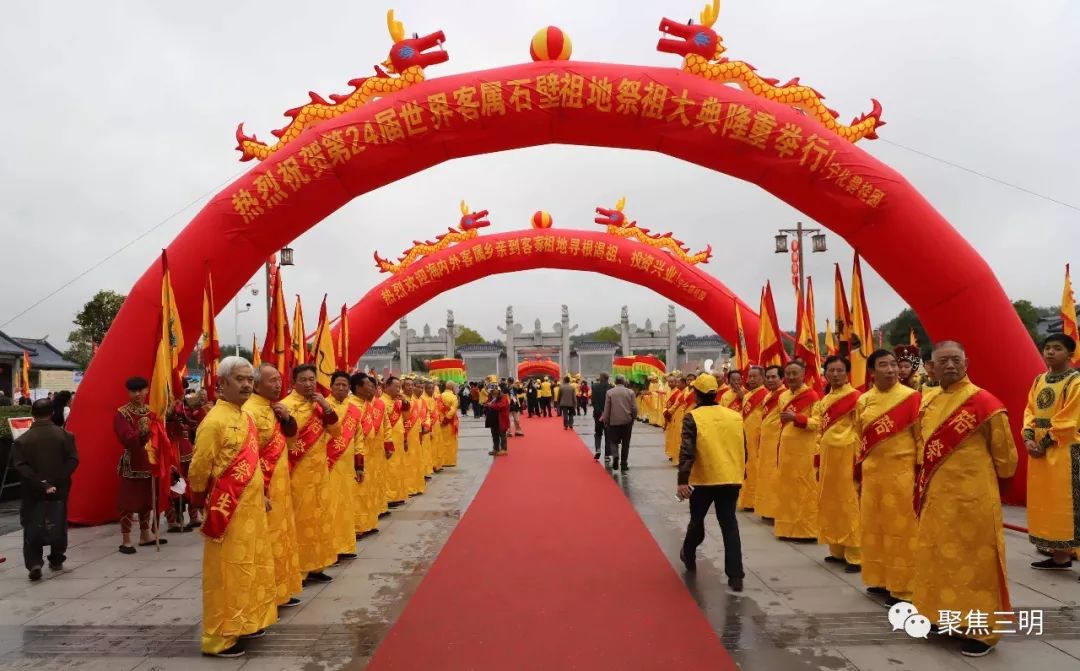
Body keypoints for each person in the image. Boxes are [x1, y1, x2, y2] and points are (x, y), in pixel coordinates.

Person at [914, 341, 1017, 657]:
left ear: (966, 362)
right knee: (938, 559)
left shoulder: (984, 403)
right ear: (931, 366)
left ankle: (982, 632)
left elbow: (1006, 457)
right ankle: (940, 615)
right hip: (937, 496)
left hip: (972, 498)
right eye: (942, 360)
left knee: (976, 563)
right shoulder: (929, 402)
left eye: (955, 360)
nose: (949, 366)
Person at [189, 356, 277, 657]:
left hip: (251, 510)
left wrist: (261, 495)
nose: (246, 385)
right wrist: (198, 501)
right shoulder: (213, 421)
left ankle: (246, 622)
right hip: (226, 511)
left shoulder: (246, 417)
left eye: (249, 380)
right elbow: (200, 467)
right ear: (222, 383)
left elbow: (251, 463)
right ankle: (220, 636)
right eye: (240, 379)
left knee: (248, 569)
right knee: (226, 574)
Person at [854, 349, 921, 605]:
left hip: (901, 473)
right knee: (875, 528)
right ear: (872, 371)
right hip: (873, 474)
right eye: (884, 365)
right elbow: (860, 437)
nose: (892, 369)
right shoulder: (865, 400)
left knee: (901, 530)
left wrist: (918, 471)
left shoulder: (912, 397)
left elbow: (920, 436)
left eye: (894, 364)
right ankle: (881, 579)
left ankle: (904, 587)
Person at [676, 373, 745, 592]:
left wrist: (682, 481)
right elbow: (745, 448)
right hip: (730, 478)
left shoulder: (692, 417)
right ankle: (736, 576)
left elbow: (687, 451)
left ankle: (689, 553)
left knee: (697, 520)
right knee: (729, 526)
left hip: (703, 480)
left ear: (696, 394)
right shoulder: (734, 416)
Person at [242, 363, 303, 609]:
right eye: (271, 380)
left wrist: (287, 420)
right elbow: (248, 457)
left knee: (283, 538)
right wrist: (261, 490)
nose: (278, 384)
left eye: (279, 379)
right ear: (256, 385)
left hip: (281, 486)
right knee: (267, 543)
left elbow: (291, 440)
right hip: (264, 489)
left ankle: (282, 590)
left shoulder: (275, 408)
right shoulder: (249, 412)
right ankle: (268, 596)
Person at [1023, 333, 1080, 570]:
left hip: (1066, 450)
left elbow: (1069, 419)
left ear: (1070, 354)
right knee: (1050, 504)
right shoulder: (1039, 380)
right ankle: (1060, 556)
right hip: (1039, 451)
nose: (1050, 352)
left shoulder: (1075, 382)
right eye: (1047, 348)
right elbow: (1030, 410)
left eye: (1057, 348)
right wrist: (1028, 438)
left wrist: (1043, 442)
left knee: (1070, 504)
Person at [281, 364, 340, 585]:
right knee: (301, 520)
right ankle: (300, 569)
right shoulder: (285, 407)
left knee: (320, 518)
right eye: (303, 380)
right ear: (293, 382)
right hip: (297, 474)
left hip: (320, 473)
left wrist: (326, 407)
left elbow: (336, 432)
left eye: (312, 379)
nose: (308, 384)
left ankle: (318, 565)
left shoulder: (319, 405)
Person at [12, 398, 79, 580]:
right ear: (52, 414)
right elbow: (73, 460)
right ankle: (56, 558)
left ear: (33, 415)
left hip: (33, 491)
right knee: (58, 521)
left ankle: (34, 562)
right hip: (59, 489)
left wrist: (40, 483)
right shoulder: (66, 436)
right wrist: (56, 481)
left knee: (32, 523)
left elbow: (21, 466)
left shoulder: (22, 441)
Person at [808, 356, 862, 572]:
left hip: (847, 455)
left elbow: (860, 428)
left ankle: (855, 554)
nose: (836, 374)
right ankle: (836, 550)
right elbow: (819, 428)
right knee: (830, 502)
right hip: (829, 456)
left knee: (849, 503)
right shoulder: (824, 400)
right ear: (826, 373)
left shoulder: (856, 398)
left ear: (847, 372)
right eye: (831, 370)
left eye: (840, 370)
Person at [113, 376, 165, 553]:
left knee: (147, 499)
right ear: (128, 392)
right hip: (132, 463)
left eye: (140, 390)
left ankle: (145, 535)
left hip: (149, 461)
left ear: (146, 390)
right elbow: (126, 438)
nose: (137, 394)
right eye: (133, 391)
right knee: (128, 503)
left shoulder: (151, 411)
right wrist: (141, 434)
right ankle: (126, 540)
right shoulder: (122, 413)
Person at [774, 361, 821, 541]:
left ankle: (806, 531)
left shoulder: (812, 396)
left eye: (795, 374)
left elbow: (817, 423)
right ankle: (786, 529)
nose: (792, 377)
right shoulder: (783, 396)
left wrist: (797, 418)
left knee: (804, 489)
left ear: (803, 375)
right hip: (786, 450)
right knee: (787, 489)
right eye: (789, 374)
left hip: (804, 450)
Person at [350, 372, 391, 535]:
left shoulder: (368, 404)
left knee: (369, 489)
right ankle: (359, 526)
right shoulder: (351, 406)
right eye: (369, 385)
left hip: (372, 454)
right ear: (358, 388)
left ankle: (368, 522)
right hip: (359, 455)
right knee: (359, 491)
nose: (373, 388)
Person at [327, 372, 361, 561]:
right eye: (338, 384)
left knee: (346, 506)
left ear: (349, 388)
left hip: (347, 466)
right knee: (331, 507)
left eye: (344, 385)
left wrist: (359, 464)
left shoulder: (354, 409)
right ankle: (332, 547)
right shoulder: (322, 406)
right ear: (331, 386)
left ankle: (346, 545)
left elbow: (358, 437)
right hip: (328, 467)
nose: (341, 388)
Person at [753, 366, 784, 522]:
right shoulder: (767, 396)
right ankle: (766, 509)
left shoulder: (784, 395)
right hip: (765, 443)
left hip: (777, 443)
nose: (771, 380)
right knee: (765, 475)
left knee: (774, 477)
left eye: (774, 377)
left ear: (781, 378)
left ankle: (775, 510)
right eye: (768, 377)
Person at [736, 366, 768, 512]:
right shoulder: (747, 395)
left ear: (762, 378)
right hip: (746, 435)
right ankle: (747, 499)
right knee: (747, 467)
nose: (752, 379)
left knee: (755, 467)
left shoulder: (766, 395)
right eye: (750, 377)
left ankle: (754, 500)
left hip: (758, 437)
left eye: (755, 377)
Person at [382, 377, 410, 506]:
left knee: (399, 468)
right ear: (387, 386)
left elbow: (405, 418)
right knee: (390, 469)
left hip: (399, 440)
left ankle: (399, 494)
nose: (398, 389)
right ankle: (389, 497)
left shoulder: (398, 402)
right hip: (389, 441)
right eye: (396, 387)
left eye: (399, 387)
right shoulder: (382, 402)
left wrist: (405, 403)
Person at [602, 375, 637, 472]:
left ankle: (615, 456)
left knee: (613, 441)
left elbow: (607, 408)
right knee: (626, 443)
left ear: (616, 382)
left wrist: (606, 420)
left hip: (614, 421)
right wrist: (633, 418)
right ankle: (624, 463)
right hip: (627, 421)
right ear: (624, 381)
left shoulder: (609, 392)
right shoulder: (630, 392)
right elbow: (634, 408)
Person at [663, 375, 687, 464]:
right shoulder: (679, 392)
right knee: (672, 437)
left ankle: (679, 458)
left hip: (680, 418)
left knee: (679, 439)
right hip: (673, 418)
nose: (676, 384)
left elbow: (677, 405)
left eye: (677, 382)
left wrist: (668, 411)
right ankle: (673, 454)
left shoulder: (683, 393)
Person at [590, 373, 613, 461]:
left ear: (601, 378)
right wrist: (606, 412)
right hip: (609, 415)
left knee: (598, 433)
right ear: (607, 378)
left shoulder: (595, 387)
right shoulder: (611, 387)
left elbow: (593, 401)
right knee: (608, 434)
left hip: (597, 414)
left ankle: (598, 449)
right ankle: (607, 455)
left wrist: (601, 412)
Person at [439, 381, 461, 467]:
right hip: (450, 422)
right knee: (450, 441)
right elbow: (453, 410)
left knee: (442, 441)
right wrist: (447, 419)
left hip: (440, 421)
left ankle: (442, 460)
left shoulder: (440, 396)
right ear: (452, 388)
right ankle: (449, 461)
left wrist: (443, 419)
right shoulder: (453, 397)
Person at [484, 383, 510, 456]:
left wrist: (491, 405)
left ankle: (504, 449)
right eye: (490, 390)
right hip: (493, 418)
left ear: (497, 389)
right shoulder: (491, 396)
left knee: (502, 434)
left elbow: (501, 406)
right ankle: (496, 448)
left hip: (501, 418)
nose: (491, 392)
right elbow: (488, 403)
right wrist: (486, 405)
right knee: (494, 434)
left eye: (492, 390)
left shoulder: (503, 396)